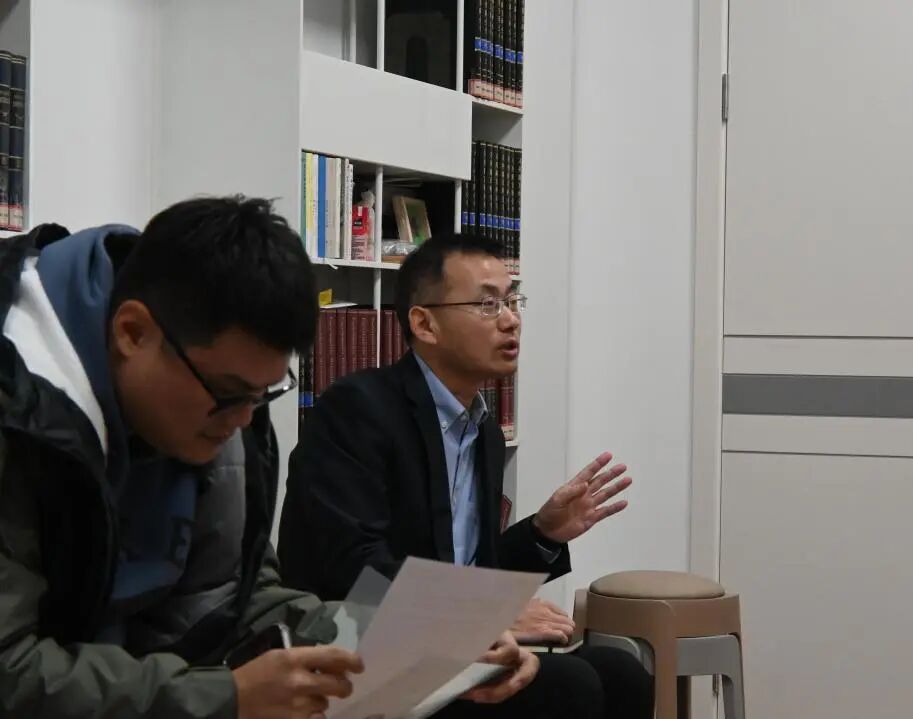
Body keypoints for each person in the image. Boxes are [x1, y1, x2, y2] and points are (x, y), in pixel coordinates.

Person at [0, 199, 535, 719]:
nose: (241, 421)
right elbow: (11, 672)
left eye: (263, 395)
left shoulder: (215, 406)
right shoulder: (18, 414)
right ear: (132, 333)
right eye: (230, 393)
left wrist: (426, 642)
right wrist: (225, 697)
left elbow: (239, 602)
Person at [279, 233, 655, 718]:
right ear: (425, 324)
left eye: (512, 300)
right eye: (487, 304)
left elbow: (468, 571)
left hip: (446, 650)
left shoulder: (483, 432)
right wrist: (477, 618)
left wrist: (542, 533)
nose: (511, 319)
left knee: (621, 671)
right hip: (357, 650)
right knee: (570, 684)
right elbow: (352, 569)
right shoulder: (358, 410)